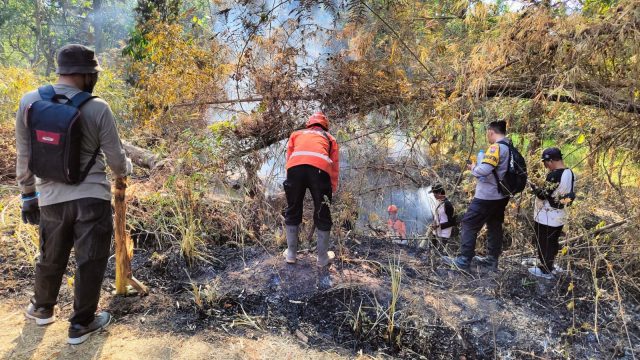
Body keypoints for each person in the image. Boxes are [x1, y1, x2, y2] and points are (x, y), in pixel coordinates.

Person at [16, 44, 132, 345]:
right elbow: (117, 162)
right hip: (92, 199)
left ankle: (42, 309)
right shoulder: (98, 107)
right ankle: (81, 324)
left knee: (50, 255)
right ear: (86, 75)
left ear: (61, 72)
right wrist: (127, 166)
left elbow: (25, 154)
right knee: (89, 261)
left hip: (51, 198)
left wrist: (28, 195)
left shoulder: (29, 102)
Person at [443, 120, 511, 270]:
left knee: (469, 223)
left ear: (491, 132)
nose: (487, 135)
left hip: (487, 196)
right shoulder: (509, 147)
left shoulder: (496, 148)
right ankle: (492, 261)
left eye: (488, 132)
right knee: (494, 226)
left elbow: (484, 170)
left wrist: (474, 167)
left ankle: (463, 260)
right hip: (502, 196)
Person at [282, 111, 339, 266]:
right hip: (320, 170)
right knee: (322, 211)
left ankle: (291, 254)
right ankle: (322, 258)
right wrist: (332, 186)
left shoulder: (296, 134)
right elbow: (334, 165)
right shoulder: (330, 138)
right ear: (324, 126)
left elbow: (289, 157)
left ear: (309, 124)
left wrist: (290, 178)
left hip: (295, 169)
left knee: (293, 208)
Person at [528, 147, 576, 279]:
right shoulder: (570, 173)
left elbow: (544, 195)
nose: (545, 166)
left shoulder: (554, 175)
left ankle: (545, 270)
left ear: (550, 161)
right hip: (560, 216)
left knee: (544, 242)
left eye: (545, 162)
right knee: (553, 242)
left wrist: (534, 187)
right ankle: (550, 265)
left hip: (546, 216)